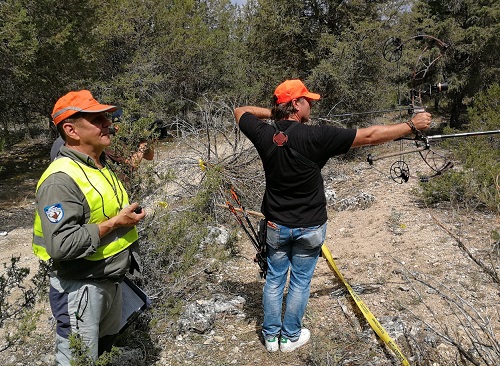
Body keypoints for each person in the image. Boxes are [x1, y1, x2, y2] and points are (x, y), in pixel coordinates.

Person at [233, 79, 431, 353]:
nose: (311, 105)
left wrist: (274, 115)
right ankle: (290, 337)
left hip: (276, 225)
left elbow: (240, 111)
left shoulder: (263, 134)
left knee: (276, 279)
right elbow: (370, 136)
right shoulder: (317, 136)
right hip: (310, 227)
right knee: (300, 281)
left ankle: (271, 338)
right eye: (307, 101)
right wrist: (411, 126)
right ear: (295, 104)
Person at [33, 90, 146, 365]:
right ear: (71, 130)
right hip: (81, 289)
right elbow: (61, 245)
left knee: (102, 354)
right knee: (79, 361)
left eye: (106, 117)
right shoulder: (60, 180)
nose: (108, 123)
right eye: (97, 119)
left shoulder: (99, 166)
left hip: (109, 282)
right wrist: (115, 223)